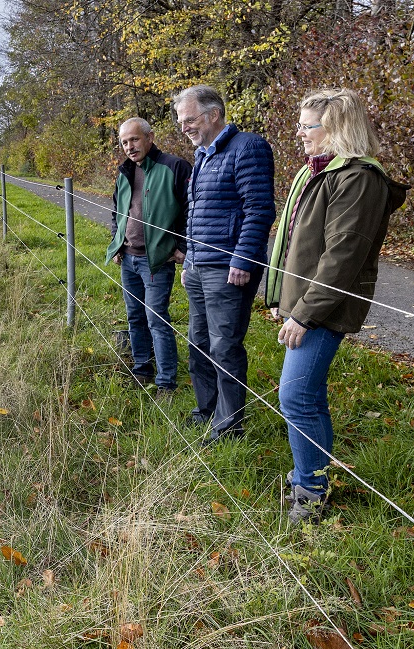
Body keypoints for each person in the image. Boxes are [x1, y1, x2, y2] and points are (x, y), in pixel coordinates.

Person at [264, 88, 408, 523]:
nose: (300, 132)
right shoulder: (317, 171)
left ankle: (309, 490)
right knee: (307, 395)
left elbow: (341, 256)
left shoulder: (358, 178)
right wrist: (282, 299)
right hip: (305, 302)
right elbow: (293, 243)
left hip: (324, 307)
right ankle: (317, 477)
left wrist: (303, 313)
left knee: (295, 397)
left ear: (338, 128)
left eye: (309, 125)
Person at [173, 85, 276, 445]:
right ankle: (206, 410)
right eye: (180, 121)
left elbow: (259, 209)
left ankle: (228, 428)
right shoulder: (203, 155)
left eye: (190, 119)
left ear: (213, 114)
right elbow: (196, 214)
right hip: (200, 265)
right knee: (198, 342)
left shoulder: (248, 148)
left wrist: (244, 258)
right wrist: (189, 258)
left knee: (224, 347)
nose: (184, 127)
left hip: (229, 268)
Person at [105, 117, 191, 397]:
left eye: (134, 139)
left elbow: (192, 210)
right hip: (128, 259)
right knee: (134, 317)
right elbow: (118, 211)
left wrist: (182, 247)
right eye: (124, 142)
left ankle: (166, 383)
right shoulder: (124, 171)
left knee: (157, 319)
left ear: (149, 137)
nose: (130, 146)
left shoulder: (174, 166)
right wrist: (117, 244)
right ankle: (142, 370)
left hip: (157, 261)